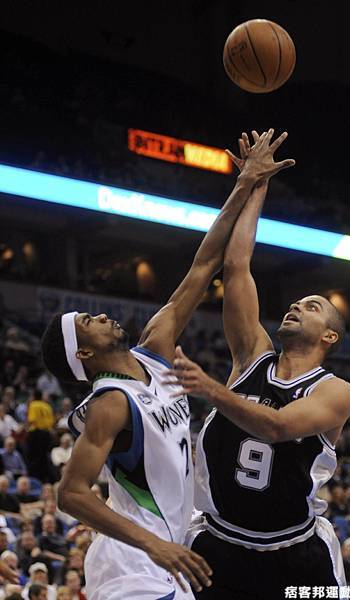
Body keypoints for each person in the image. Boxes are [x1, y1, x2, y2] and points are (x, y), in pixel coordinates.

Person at [40, 130, 294, 600]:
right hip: (130, 565)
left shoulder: (153, 348)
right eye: (88, 322)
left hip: (171, 559)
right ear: (84, 354)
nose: (100, 315)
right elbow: (70, 494)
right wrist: (155, 545)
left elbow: (204, 265)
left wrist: (245, 184)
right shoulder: (110, 403)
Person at [168, 132, 350, 598]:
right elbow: (236, 266)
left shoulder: (335, 391)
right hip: (218, 542)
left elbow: (276, 427)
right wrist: (256, 185)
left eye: (312, 307)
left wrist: (210, 389)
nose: (296, 306)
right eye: (296, 302)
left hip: (296, 552)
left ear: (329, 336)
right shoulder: (252, 356)